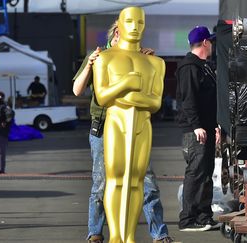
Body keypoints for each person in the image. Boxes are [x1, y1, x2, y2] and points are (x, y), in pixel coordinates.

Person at [73, 20, 178, 243]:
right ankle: (95, 232)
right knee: (102, 182)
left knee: (146, 181)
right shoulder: (101, 56)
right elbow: (77, 89)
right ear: (119, 31)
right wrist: (90, 65)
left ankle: (159, 234)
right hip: (102, 127)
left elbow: (152, 94)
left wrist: (149, 64)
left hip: (133, 126)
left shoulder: (141, 57)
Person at [175, 26, 221, 232]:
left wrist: (215, 126)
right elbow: (188, 99)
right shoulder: (189, 67)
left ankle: (204, 216)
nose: (212, 45)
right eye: (210, 41)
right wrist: (197, 126)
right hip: (196, 130)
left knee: (205, 173)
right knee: (195, 172)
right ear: (204, 42)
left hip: (206, 127)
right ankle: (188, 219)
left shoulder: (204, 66)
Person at [0, 91, 13, 174]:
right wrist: (5, 121)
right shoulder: (3, 107)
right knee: (0, 151)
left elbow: (9, 115)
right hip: (0, 132)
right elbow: (10, 115)